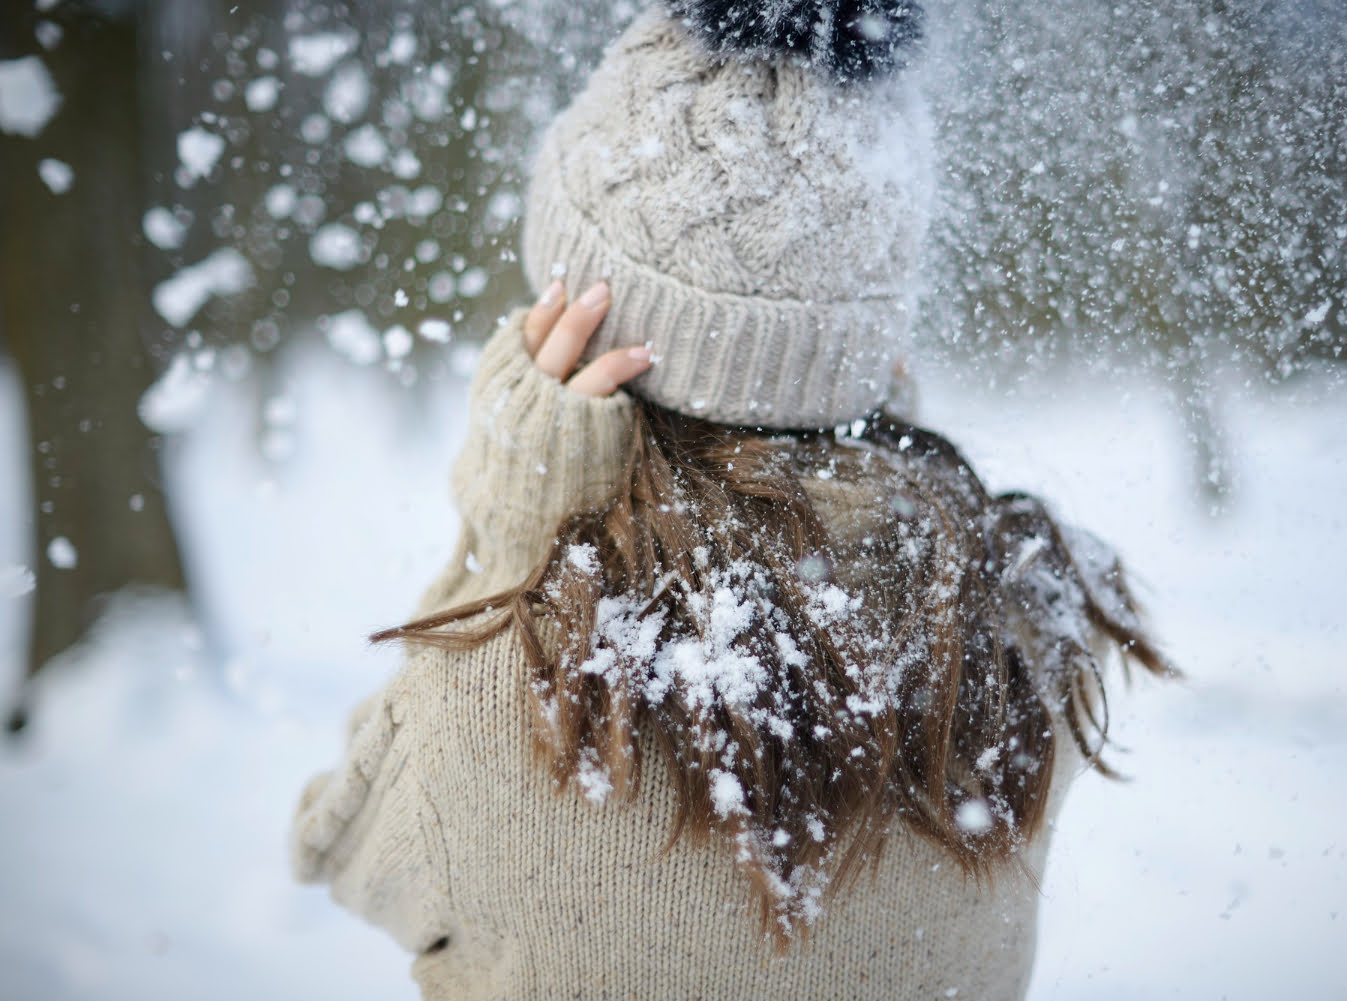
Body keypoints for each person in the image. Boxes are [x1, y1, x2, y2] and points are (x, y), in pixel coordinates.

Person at [290, 3, 1170, 998]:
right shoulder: (1029, 635)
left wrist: (523, 509)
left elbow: (344, 848)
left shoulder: (509, 698)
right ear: (870, 352)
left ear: (577, 343)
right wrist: (856, 403)